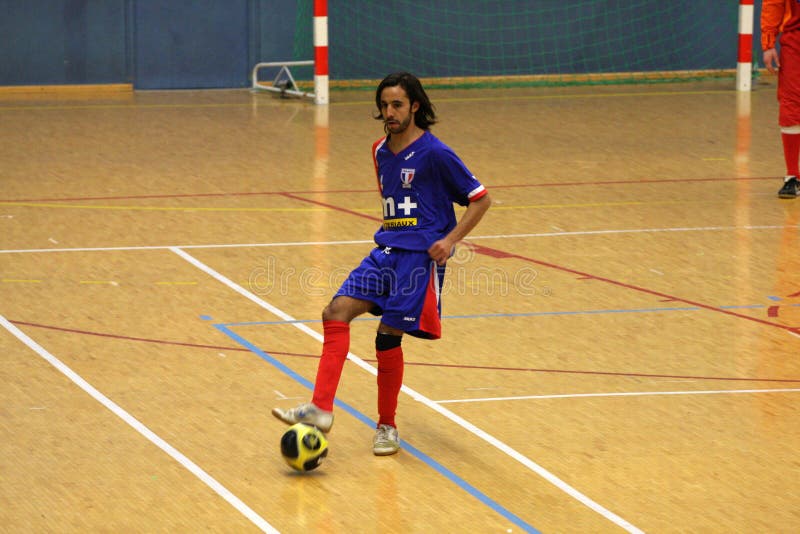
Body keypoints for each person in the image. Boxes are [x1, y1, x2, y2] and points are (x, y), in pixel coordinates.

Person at [272, 72, 491, 455]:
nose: (389, 112)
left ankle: (386, 426)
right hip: (385, 252)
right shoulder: (378, 151)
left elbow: (480, 198)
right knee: (335, 312)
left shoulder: (437, 154)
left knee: (387, 337)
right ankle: (321, 409)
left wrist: (450, 240)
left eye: (397, 105)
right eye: (384, 106)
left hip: (418, 260)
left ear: (415, 107)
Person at [762, 0, 800, 198]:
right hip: (795, 41)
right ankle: (793, 176)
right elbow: (773, 3)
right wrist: (768, 43)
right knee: (791, 105)